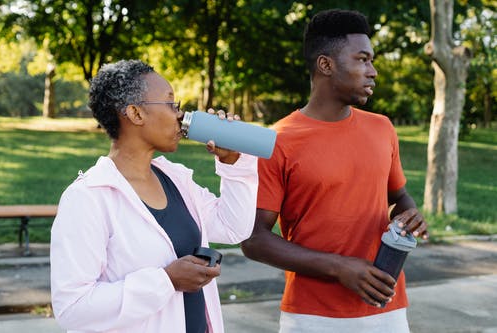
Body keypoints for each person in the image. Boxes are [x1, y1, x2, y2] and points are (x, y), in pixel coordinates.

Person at [241, 9, 429, 333]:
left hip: (388, 310)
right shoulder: (277, 141)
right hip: (312, 318)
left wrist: (410, 215)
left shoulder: (382, 128)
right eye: (362, 60)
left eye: (372, 61)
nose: (373, 72)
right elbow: (254, 239)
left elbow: (399, 197)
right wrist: (339, 267)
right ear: (325, 65)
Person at [50, 59, 258, 333]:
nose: (181, 116)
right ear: (135, 114)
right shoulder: (88, 198)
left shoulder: (175, 180)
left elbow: (234, 227)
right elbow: (72, 308)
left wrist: (232, 161)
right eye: (172, 104)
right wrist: (166, 281)